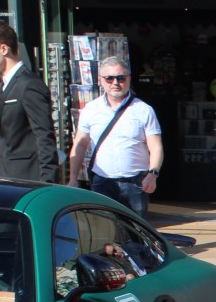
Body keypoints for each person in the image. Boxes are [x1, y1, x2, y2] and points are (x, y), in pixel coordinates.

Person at [67, 57, 162, 219]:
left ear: (129, 78)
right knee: (104, 233)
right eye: (109, 78)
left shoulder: (143, 110)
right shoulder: (91, 109)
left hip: (135, 182)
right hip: (103, 182)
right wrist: (72, 178)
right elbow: (80, 145)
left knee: (136, 234)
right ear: (100, 81)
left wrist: (152, 174)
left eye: (120, 78)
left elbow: (156, 146)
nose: (115, 83)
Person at [0, 20, 58, 182]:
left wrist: (48, 183)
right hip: (8, 178)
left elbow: (44, 135)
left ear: (4, 49)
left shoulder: (29, 85)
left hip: (30, 180)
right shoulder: (1, 87)